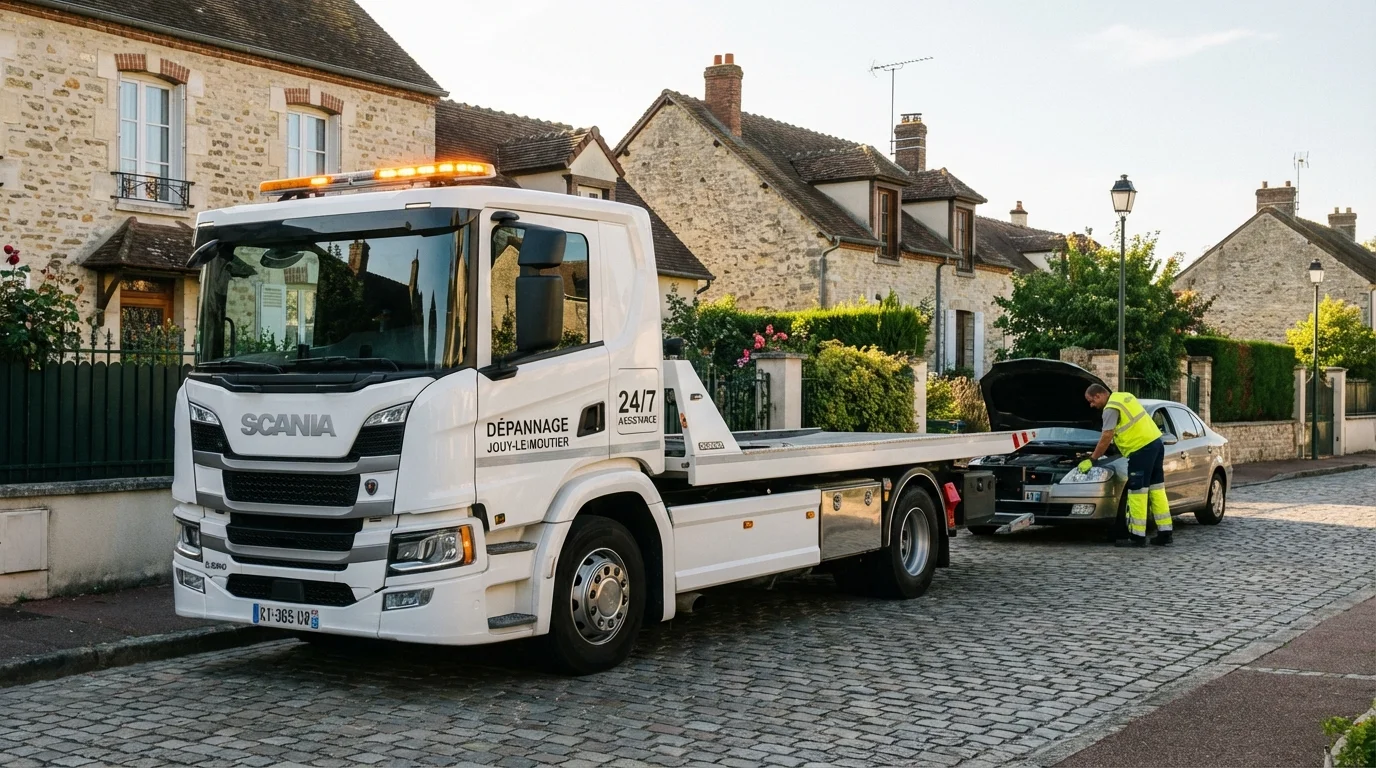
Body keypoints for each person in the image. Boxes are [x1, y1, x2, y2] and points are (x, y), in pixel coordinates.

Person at [1080, 383, 1172, 548]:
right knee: (1157, 489)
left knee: (1138, 492)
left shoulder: (1110, 408)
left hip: (1141, 449)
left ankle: (1137, 537)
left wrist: (1093, 458)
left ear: (1099, 395)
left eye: (1091, 401)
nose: (1091, 405)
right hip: (1156, 444)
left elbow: (1107, 435)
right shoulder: (1124, 397)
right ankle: (1165, 534)